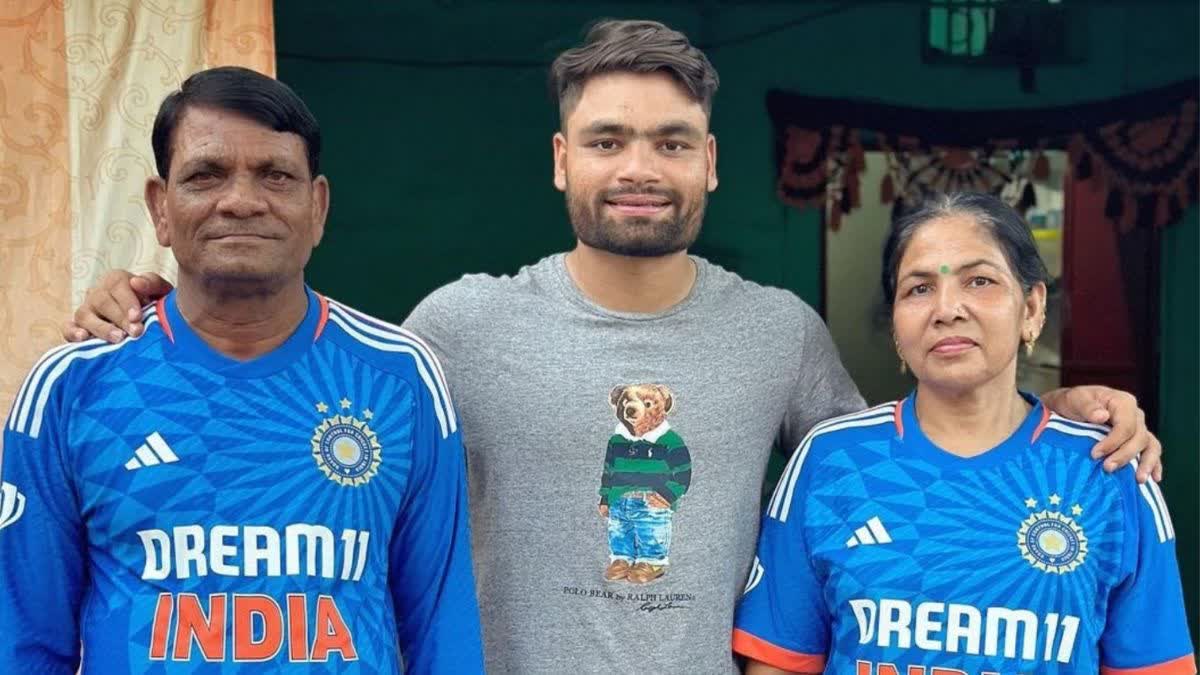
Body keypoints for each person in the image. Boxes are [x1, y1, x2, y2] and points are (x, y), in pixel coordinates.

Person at [61, 21, 1163, 674]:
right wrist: (154, 300)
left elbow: (902, 469)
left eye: (669, 142)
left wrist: (1059, 414)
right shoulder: (456, 325)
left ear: (711, 166)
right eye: (608, 140)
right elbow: (304, 366)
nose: (639, 165)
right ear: (559, 161)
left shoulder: (778, 331)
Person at [0, 67, 484, 673]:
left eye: (276, 175)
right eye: (206, 175)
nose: (241, 201)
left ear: (318, 207)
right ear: (160, 208)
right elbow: (21, 641)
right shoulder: (72, 386)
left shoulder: (400, 379)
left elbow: (443, 633)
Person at [733, 192, 1193, 674]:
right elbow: (780, 663)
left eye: (980, 280)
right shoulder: (831, 461)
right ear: (895, 323)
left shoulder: (1111, 470)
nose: (947, 309)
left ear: (1032, 308)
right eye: (919, 288)